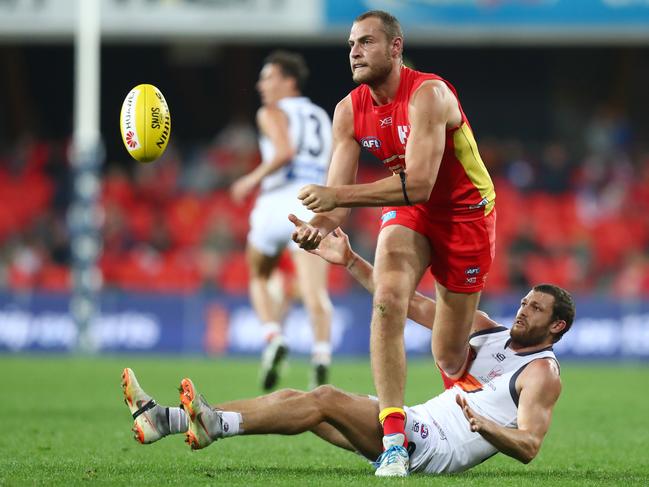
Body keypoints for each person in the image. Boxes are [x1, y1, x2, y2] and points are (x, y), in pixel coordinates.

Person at [121, 229, 575, 477]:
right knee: (311, 407)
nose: (522, 310)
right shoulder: (485, 330)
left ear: (556, 326)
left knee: (325, 398)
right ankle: (168, 420)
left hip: (435, 447)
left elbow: (530, 445)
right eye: (523, 302)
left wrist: (488, 427)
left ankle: (213, 424)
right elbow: (408, 303)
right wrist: (351, 261)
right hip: (419, 422)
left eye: (535, 309)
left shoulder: (542, 373)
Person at [289, 10, 496, 474]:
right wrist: (317, 226)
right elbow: (337, 208)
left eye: (365, 42)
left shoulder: (429, 94)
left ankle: (492, 372)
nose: (354, 52)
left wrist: (335, 196)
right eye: (350, 45)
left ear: (395, 48)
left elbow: (421, 182)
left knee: (448, 351)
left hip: (466, 214)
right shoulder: (349, 110)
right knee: (387, 299)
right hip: (410, 211)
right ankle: (395, 440)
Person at [230, 50, 334, 390]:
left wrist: (250, 179)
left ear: (288, 81)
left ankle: (273, 336)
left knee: (258, 274)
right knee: (314, 291)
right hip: (311, 200)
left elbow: (284, 151)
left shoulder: (271, 112)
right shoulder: (322, 116)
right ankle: (320, 356)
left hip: (276, 200)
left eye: (268, 77)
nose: (261, 85)